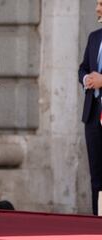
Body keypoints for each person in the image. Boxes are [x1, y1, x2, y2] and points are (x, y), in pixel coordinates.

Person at [78, 0, 102, 216]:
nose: (97, 8)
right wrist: (86, 77)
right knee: (96, 173)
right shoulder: (94, 37)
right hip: (93, 114)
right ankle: (97, 219)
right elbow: (83, 67)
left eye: (101, 3)